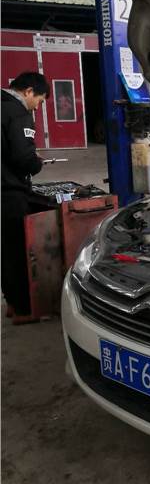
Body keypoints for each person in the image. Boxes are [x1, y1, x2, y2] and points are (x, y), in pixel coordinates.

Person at [2, 72, 49, 324]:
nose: (37, 107)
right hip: (9, 192)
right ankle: (23, 310)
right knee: (17, 250)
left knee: (4, 250)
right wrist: (36, 162)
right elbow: (23, 158)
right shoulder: (18, 113)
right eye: (39, 100)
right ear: (29, 91)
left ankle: (11, 302)